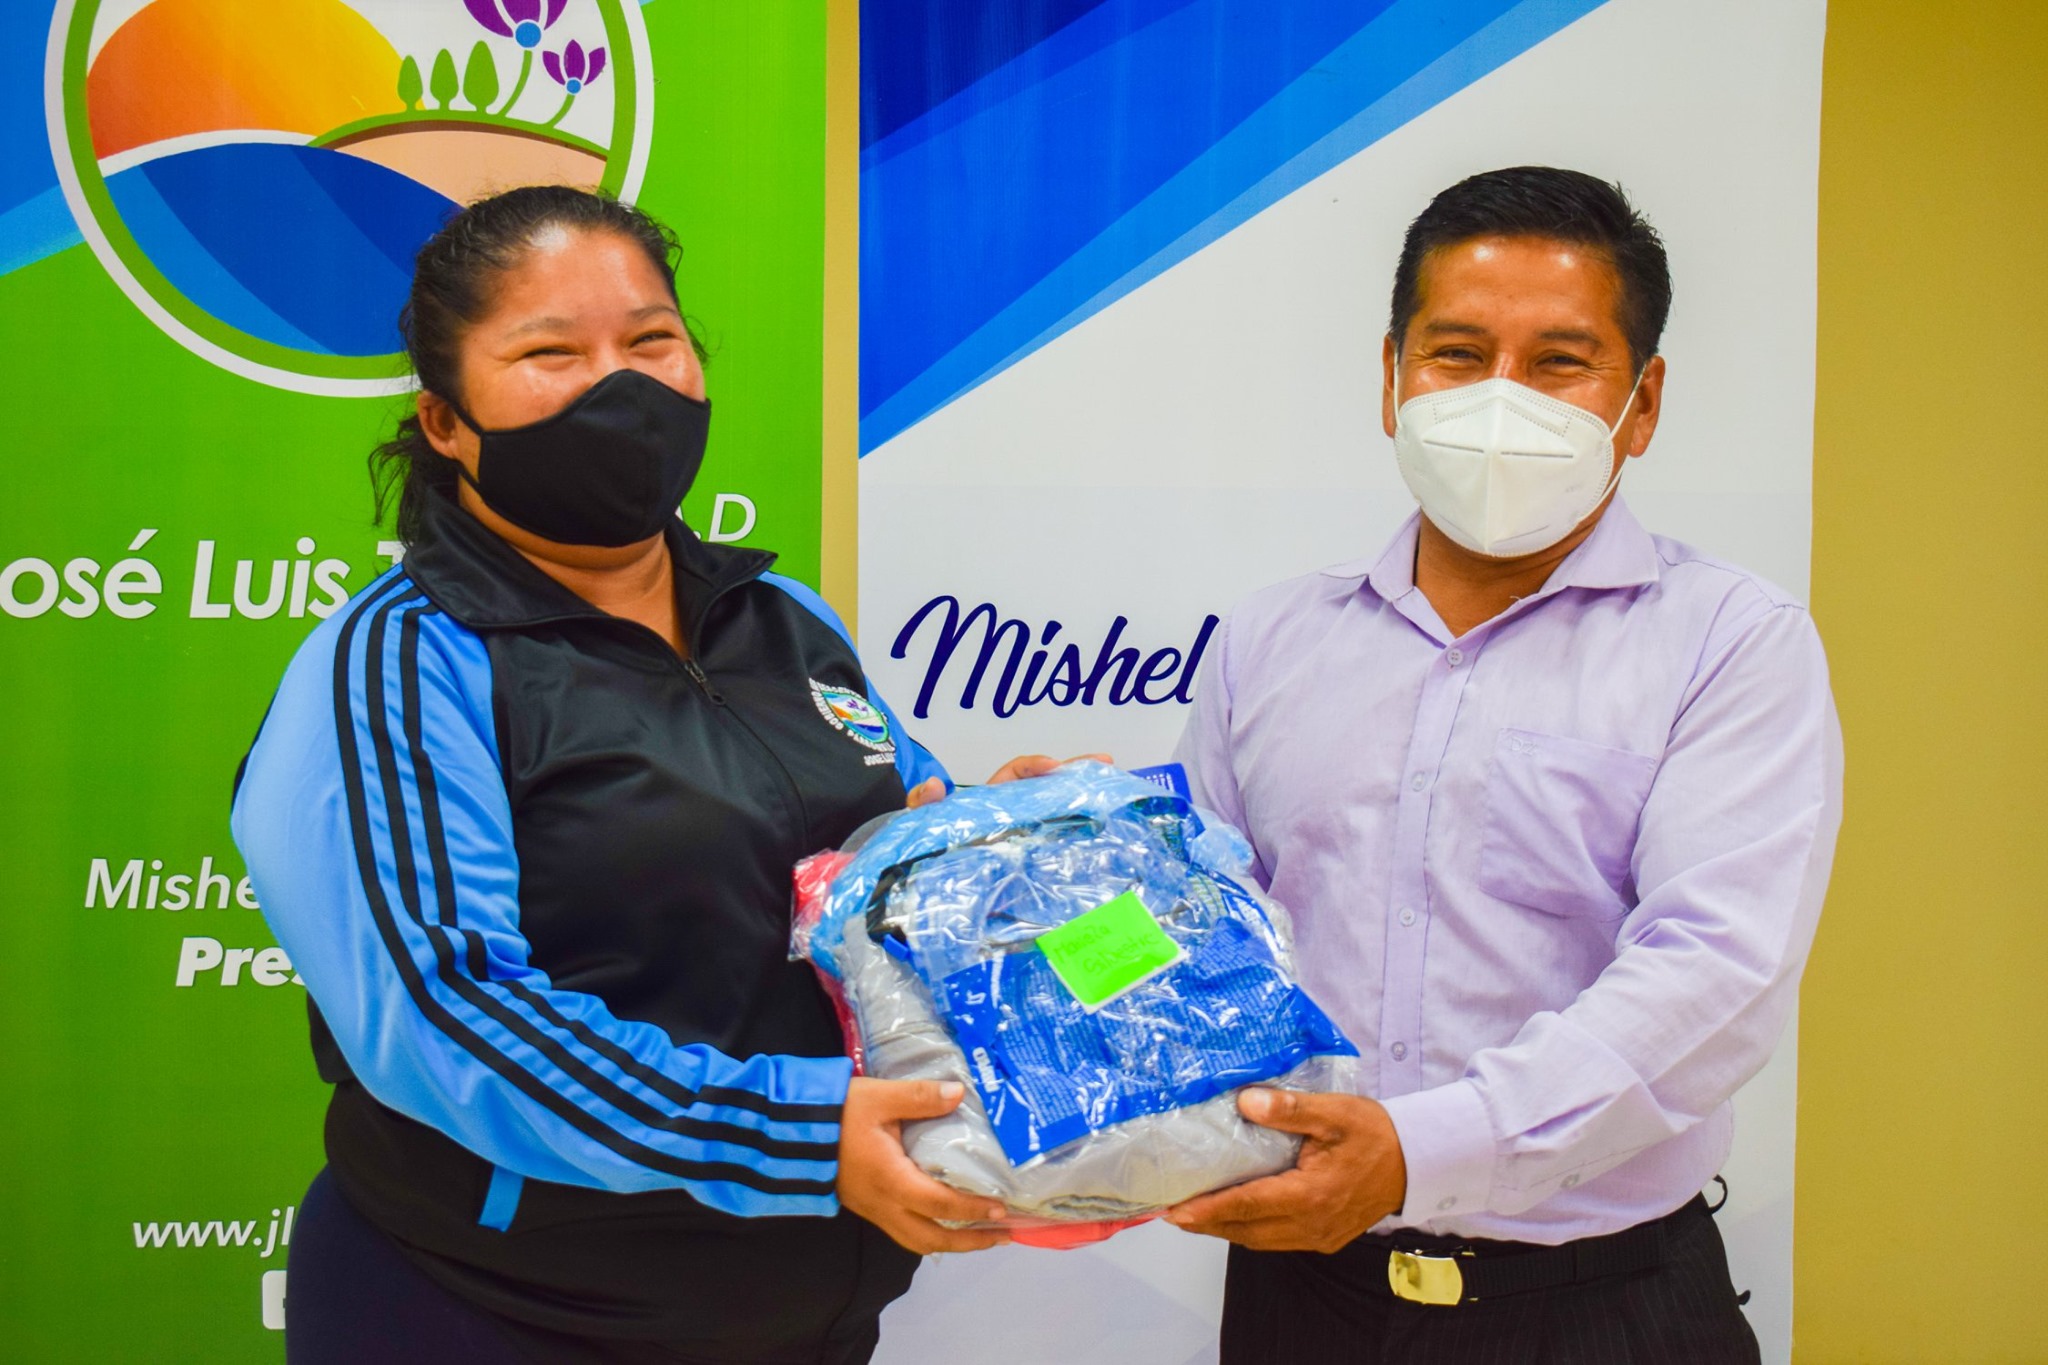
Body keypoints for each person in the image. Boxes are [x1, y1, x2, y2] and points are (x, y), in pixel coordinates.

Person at [232, 186, 1056, 1365]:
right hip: (501, 1310)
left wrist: (1009, 838)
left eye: (649, 340)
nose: (618, 386)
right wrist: (797, 1136)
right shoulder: (405, 660)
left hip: (806, 1311)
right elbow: (448, 1016)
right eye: (550, 354)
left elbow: (883, 875)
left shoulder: (784, 621)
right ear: (445, 421)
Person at [1164, 166, 1841, 1362]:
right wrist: (1068, 861)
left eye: (1557, 363)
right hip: (1298, 1296)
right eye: (1457, 353)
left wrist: (1416, 1154)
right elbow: (1200, 936)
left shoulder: (1729, 642)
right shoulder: (1270, 640)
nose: (1497, 398)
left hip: (1599, 1307)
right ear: (1390, 379)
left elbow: (1710, 977)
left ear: (1639, 403)